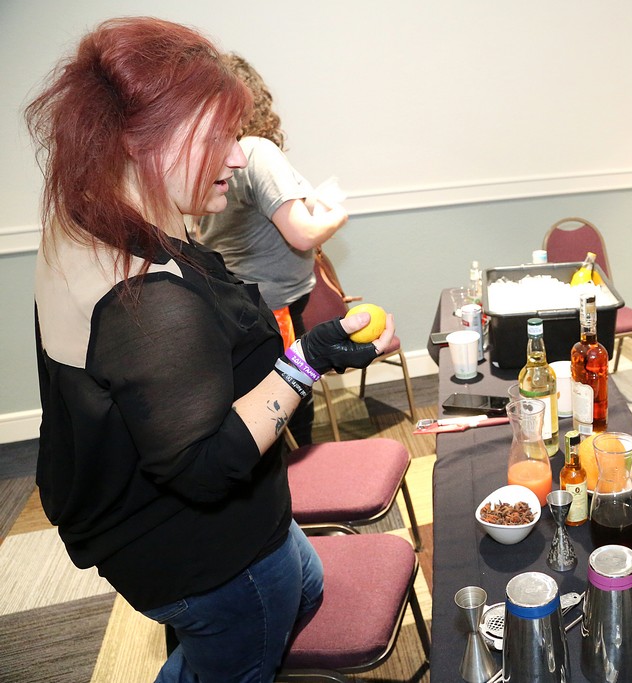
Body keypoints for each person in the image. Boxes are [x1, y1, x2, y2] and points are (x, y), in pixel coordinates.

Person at [27, 17, 393, 683]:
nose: (238, 156)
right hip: (208, 557)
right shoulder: (148, 299)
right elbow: (203, 464)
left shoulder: (90, 214)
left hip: (219, 522)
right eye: (218, 136)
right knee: (245, 646)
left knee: (304, 591)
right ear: (141, 141)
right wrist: (308, 358)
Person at [194, 53, 350, 446]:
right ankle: (300, 475)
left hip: (240, 301)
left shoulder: (216, 162)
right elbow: (303, 235)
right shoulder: (256, 152)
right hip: (272, 306)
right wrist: (337, 217)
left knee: (263, 394)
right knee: (290, 396)